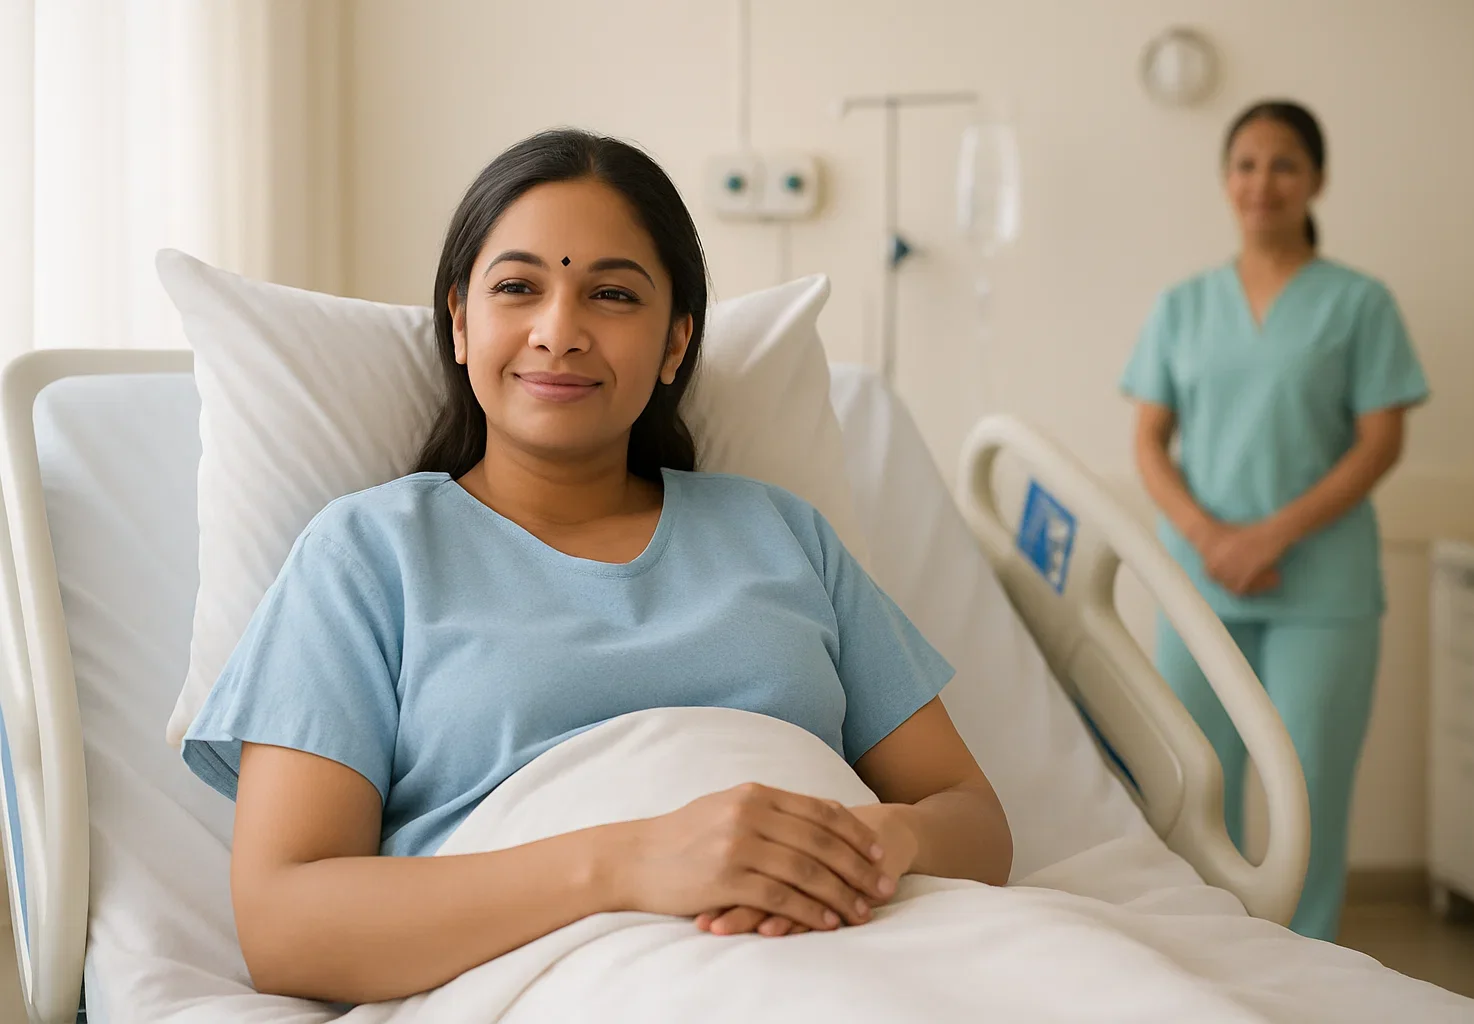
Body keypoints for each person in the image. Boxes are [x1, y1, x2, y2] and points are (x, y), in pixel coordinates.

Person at [180, 128, 1013, 1004]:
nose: (560, 331)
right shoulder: (365, 557)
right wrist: (633, 860)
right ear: (461, 323)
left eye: (612, 294)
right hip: (581, 981)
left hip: (875, 944)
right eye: (518, 288)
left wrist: (859, 848)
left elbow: (974, 819)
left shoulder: (782, 535)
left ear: (674, 345)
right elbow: (286, 927)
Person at [1120, 100, 1429, 941]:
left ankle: (1307, 968)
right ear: (1226, 180)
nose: (1263, 182)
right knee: (1190, 786)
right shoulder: (1182, 306)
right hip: (1200, 585)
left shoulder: (1359, 305)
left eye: (1284, 163)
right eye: (1246, 164)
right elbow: (1149, 440)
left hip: (1320, 586)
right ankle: (1203, 957)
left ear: (1317, 180)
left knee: (1308, 797)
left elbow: (1380, 440)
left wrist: (1270, 535)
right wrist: (1213, 535)